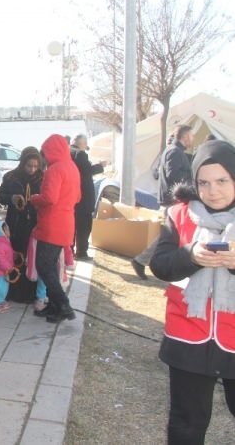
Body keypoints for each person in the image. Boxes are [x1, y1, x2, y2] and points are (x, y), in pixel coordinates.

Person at [149, 140, 235, 444]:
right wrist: (191, 256)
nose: (213, 191)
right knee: (186, 423)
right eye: (204, 182)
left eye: (223, 180)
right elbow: (159, 265)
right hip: (188, 337)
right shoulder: (179, 214)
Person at [30, 134, 80, 323]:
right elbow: (77, 197)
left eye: (43, 154)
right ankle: (55, 306)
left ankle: (63, 304)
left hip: (52, 224)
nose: (43, 158)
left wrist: (34, 199)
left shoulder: (54, 170)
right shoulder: (72, 168)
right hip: (67, 222)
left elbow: (49, 198)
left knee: (44, 265)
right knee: (50, 265)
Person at [132, 125, 194, 279]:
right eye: (191, 136)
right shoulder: (175, 152)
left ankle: (142, 260)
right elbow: (173, 176)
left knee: (169, 235)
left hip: (172, 199)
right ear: (185, 137)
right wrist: (189, 184)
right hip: (173, 200)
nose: (192, 138)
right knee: (169, 235)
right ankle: (141, 260)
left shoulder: (173, 150)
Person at [0, 147, 48, 309]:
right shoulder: (11, 177)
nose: (32, 170)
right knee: (15, 256)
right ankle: (14, 291)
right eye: (29, 166)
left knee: (32, 257)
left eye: (35, 166)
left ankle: (33, 293)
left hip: (35, 224)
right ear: (22, 163)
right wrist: (11, 198)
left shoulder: (43, 178)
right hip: (16, 224)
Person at [69, 134, 106, 260]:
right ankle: (81, 251)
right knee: (84, 226)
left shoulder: (68, 152)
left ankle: (69, 250)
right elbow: (87, 171)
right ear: (82, 143)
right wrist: (100, 166)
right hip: (83, 196)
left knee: (72, 225)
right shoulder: (80, 154)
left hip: (72, 195)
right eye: (85, 145)